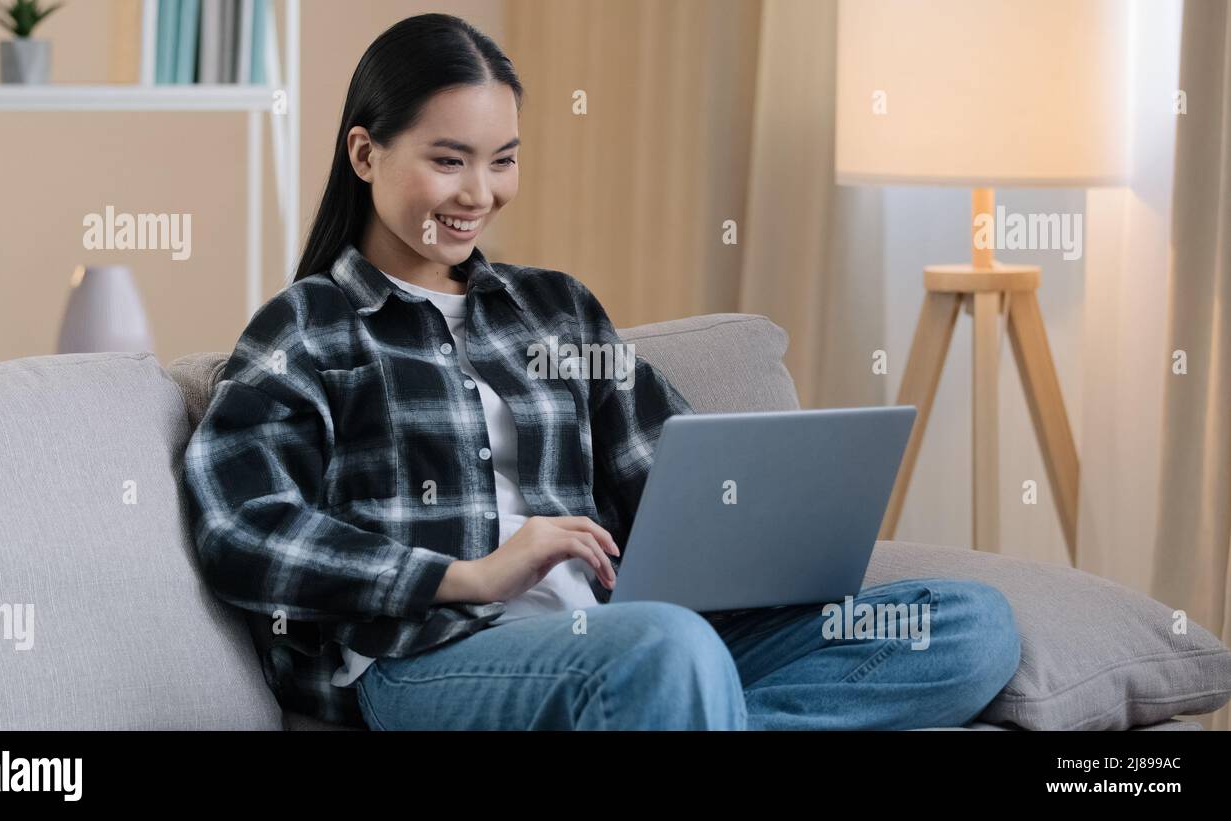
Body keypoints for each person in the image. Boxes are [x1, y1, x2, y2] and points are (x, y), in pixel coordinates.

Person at [182, 12, 1022, 730]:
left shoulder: (555, 310)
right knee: (668, 650)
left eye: (502, 158)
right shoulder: (307, 328)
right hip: (430, 655)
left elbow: (673, 469)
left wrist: (757, 528)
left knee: (966, 624)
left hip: (618, 633)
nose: (480, 192)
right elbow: (243, 528)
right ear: (365, 156)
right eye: (449, 160)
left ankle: (684, 710)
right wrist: (465, 573)